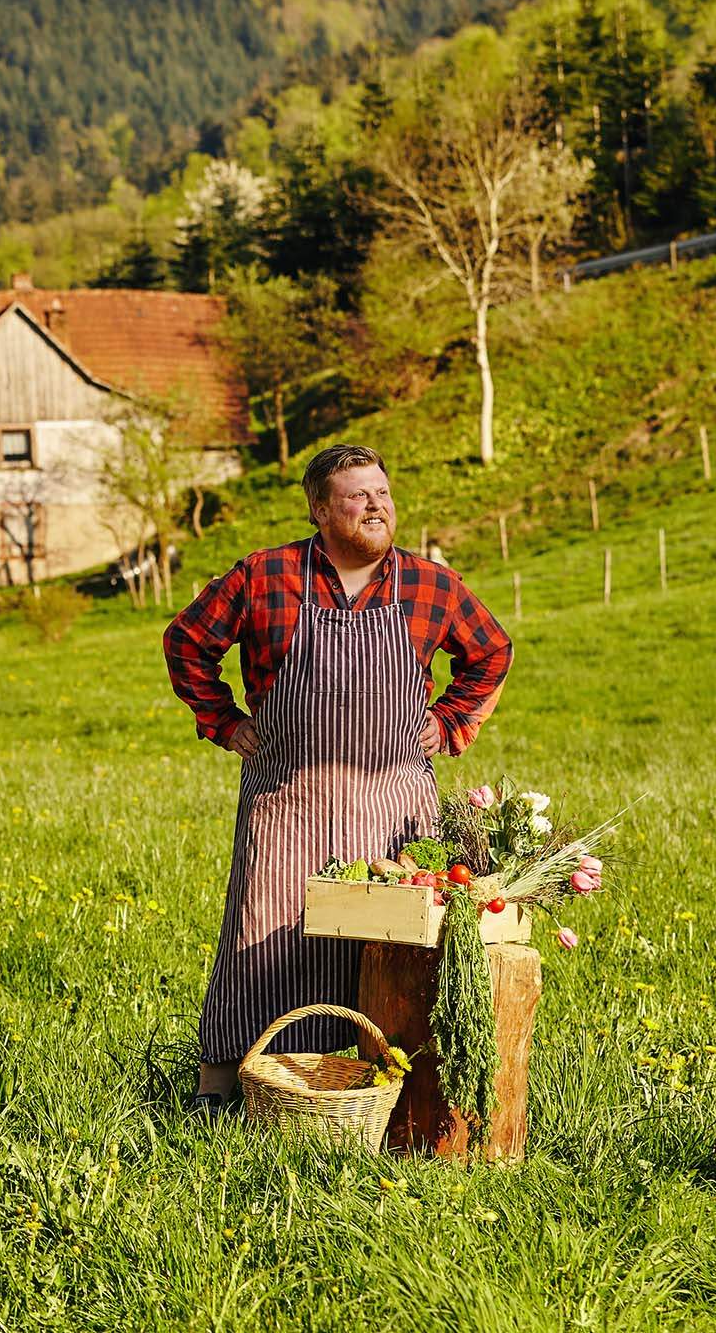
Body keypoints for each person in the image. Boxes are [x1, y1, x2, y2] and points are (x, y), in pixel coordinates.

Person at [162, 443, 512, 1112]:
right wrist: (225, 721)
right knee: (260, 936)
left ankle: (379, 1090)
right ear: (322, 510)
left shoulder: (430, 585)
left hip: (395, 805)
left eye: (382, 492)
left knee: (387, 944)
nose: (377, 505)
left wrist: (450, 722)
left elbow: (492, 652)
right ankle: (223, 1087)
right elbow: (186, 643)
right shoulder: (264, 576)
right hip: (286, 800)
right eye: (358, 495)